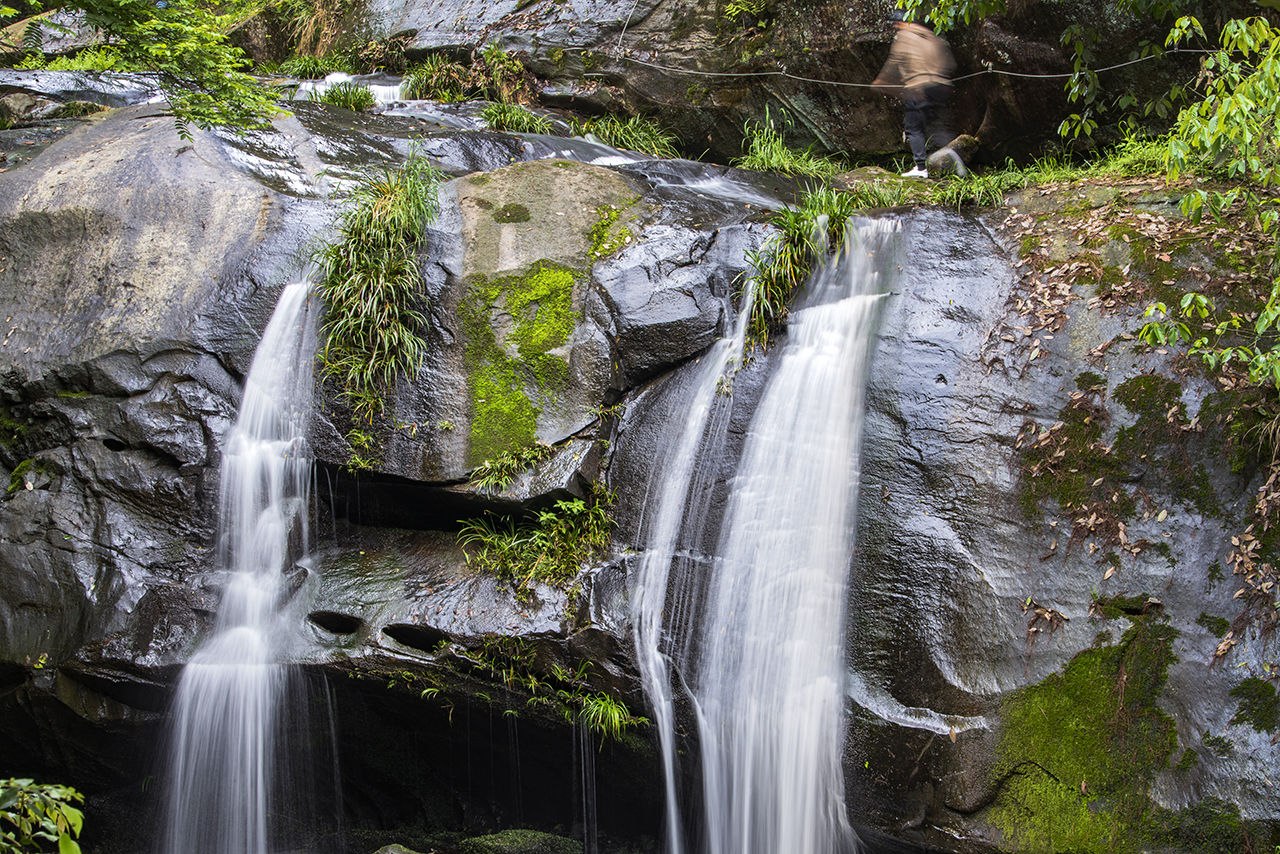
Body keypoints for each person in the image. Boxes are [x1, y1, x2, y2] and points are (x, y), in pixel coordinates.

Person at [872, 10, 966, 178]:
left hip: (918, 86)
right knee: (937, 126)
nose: (896, 27)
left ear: (901, 23)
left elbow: (894, 62)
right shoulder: (931, 36)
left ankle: (921, 168)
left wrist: (880, 82)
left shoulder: (905, 36)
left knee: (913, 128)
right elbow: (949, 63)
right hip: (941, 86)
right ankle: (955, 157)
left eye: (896, 23)